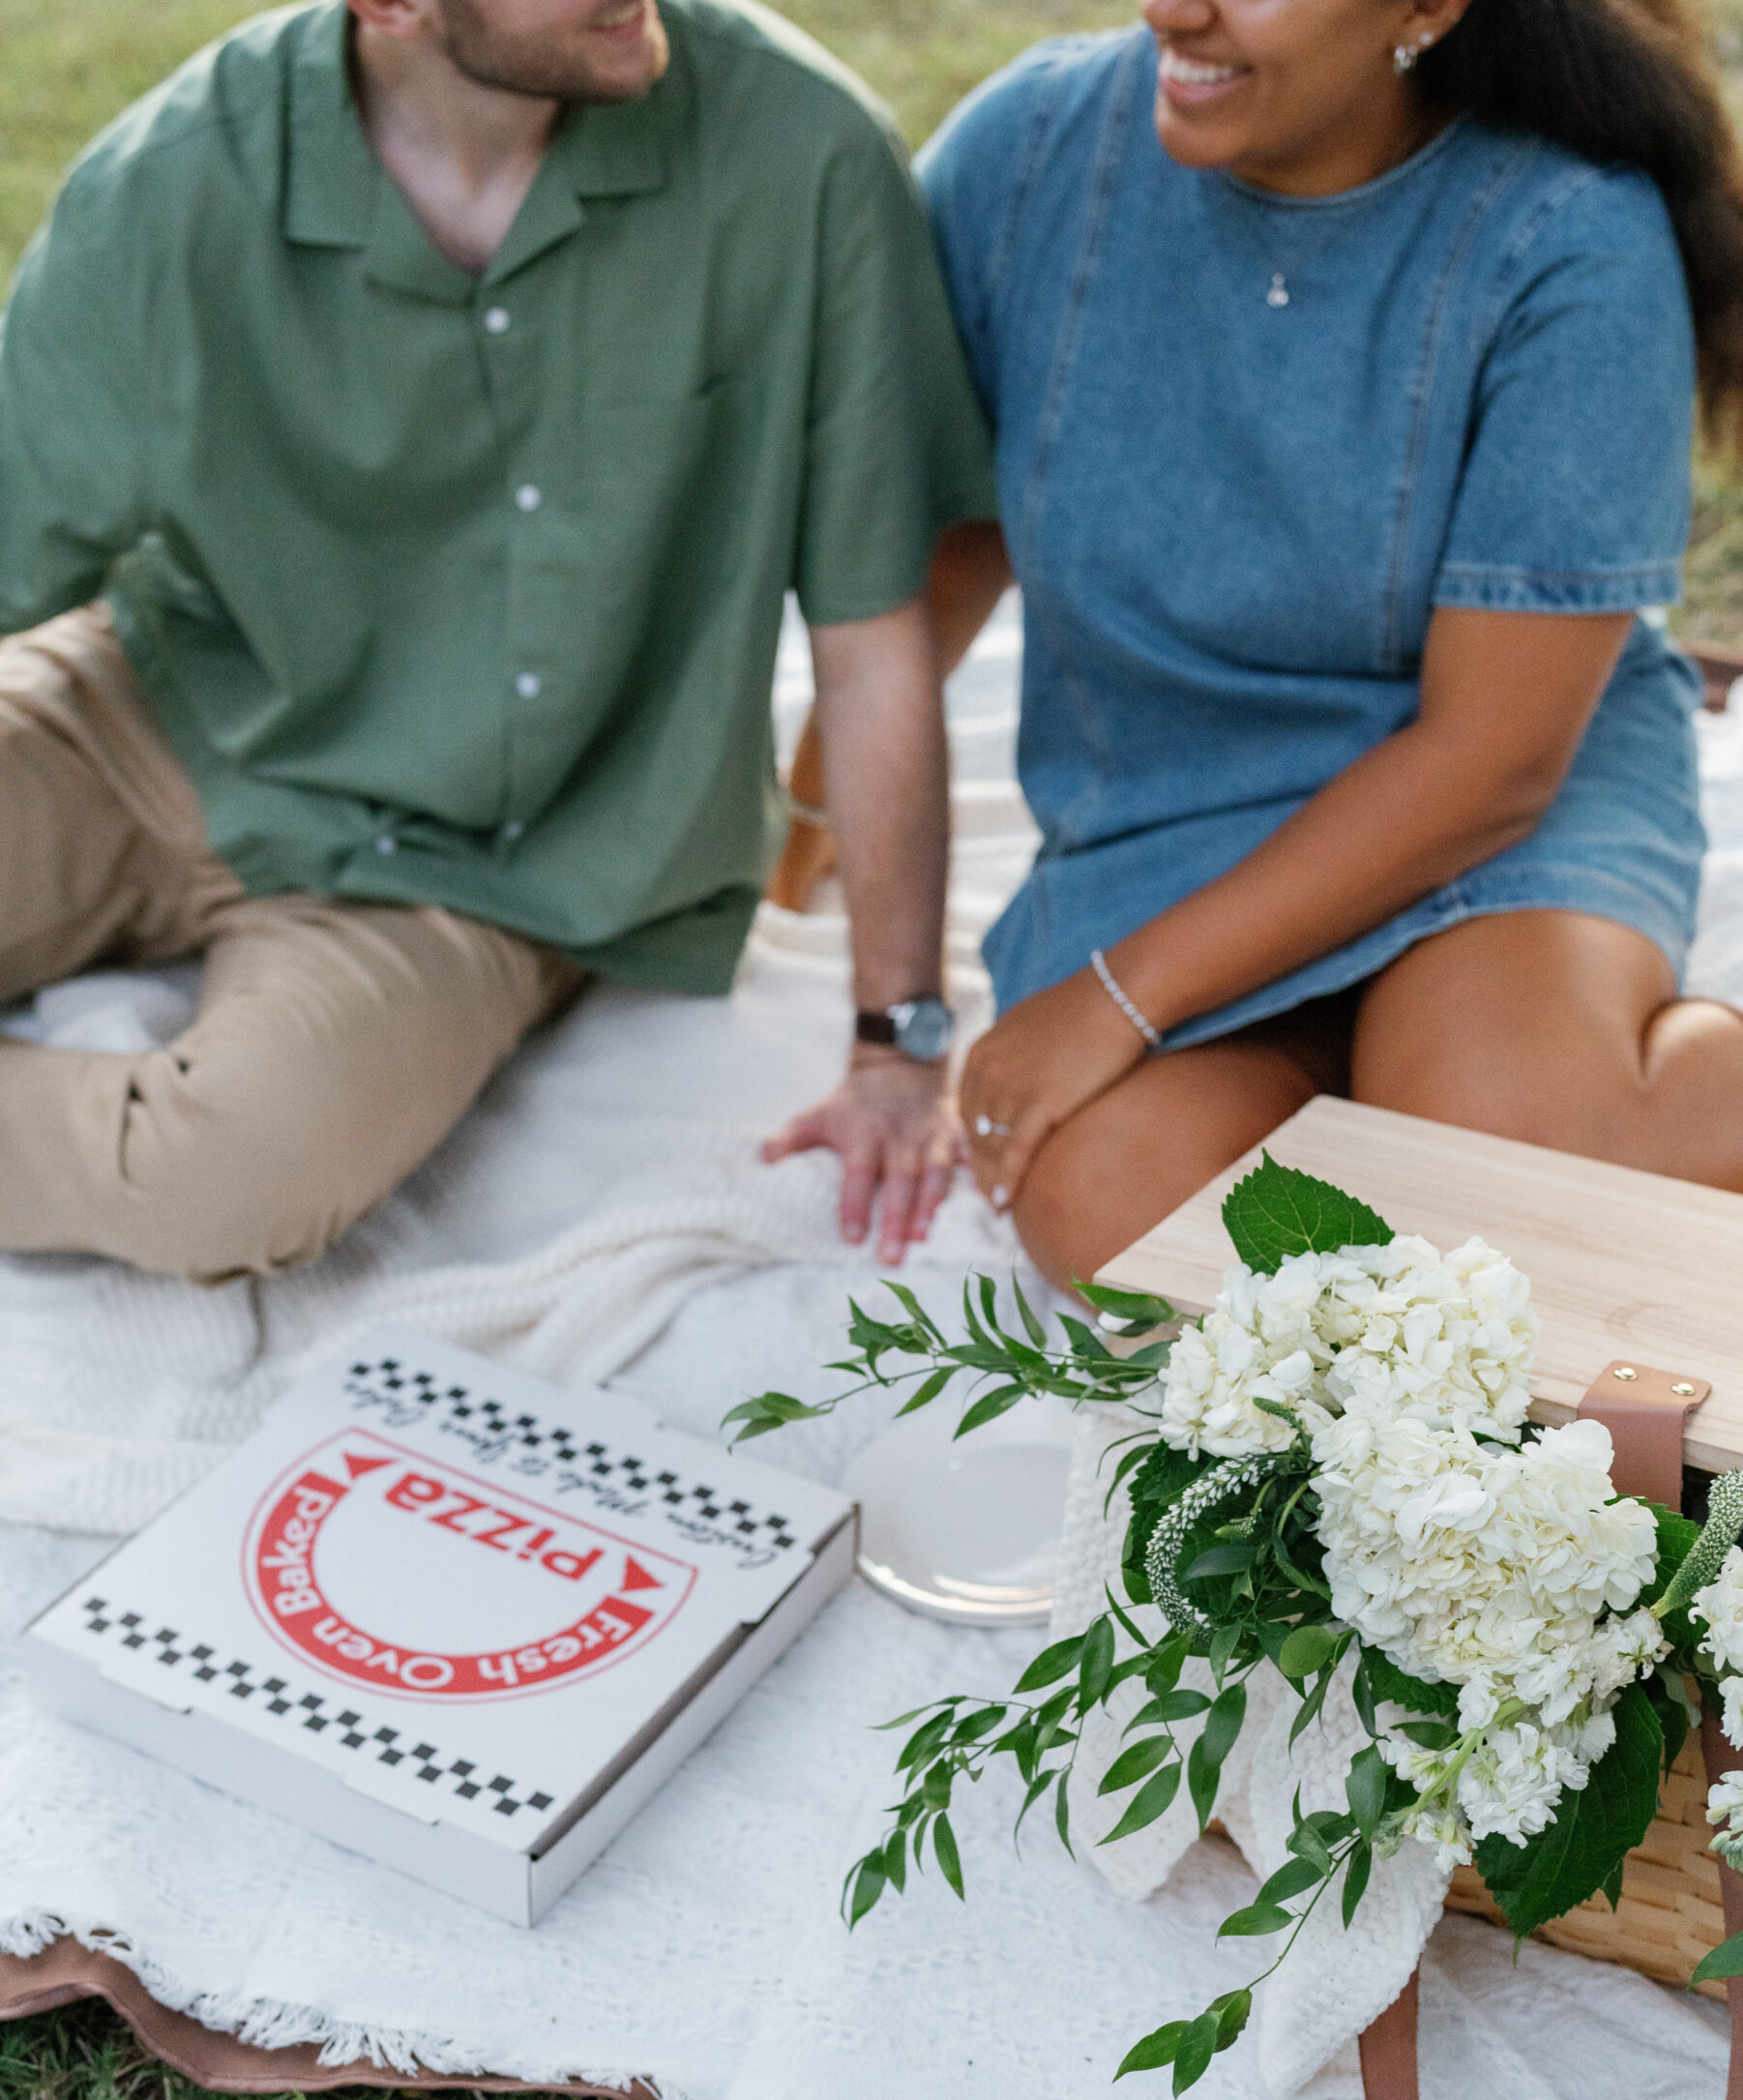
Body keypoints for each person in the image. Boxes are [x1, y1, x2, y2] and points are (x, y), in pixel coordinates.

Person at [0, 0, 993, 1282]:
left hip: (486, 866)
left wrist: (896, 1044)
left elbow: (868, 643)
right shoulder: (177, 180)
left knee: (234, 1175)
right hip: (164, 717)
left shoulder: (799, 155)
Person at [887, 0, 1743, 1290]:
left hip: (1495, 805)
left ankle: (1505, 1065)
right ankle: (1408, 1070)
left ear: (1426, 9)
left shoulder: (1573, 235)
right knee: (1125, 1215)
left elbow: (1494, 758)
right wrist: (828, 892)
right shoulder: (1029, 149)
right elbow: (938, 556)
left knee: (1510, 1169)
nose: (1175, 9)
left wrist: (1113, 999)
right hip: (1172, 820)